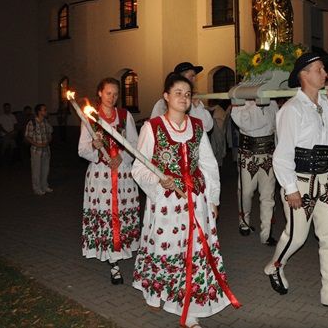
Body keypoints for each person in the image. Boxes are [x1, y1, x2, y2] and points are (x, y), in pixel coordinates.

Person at [132, 73, 238, 328]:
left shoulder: (197, 126)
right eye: (178, 92)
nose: (183, 97)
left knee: (194, 250)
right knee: (166, 248)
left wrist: (213, 200)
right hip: (166, 203)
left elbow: (209, 164)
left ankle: (190, 306)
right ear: (166, 96)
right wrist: (159, 180)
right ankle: (156, 289)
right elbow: (139, 167)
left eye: (188, 94)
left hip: (195, 199)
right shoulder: (152, 127)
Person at [263, 52, 328, 312]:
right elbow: (282, 154)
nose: (323, 73)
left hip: (327, 181)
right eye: (318, 68)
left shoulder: (326, 104)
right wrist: (290, 189)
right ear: (304, 74)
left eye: (323, 68)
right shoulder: (291, 109)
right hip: (301, 182)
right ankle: (275, 266)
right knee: (296, 237)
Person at [78, 78, 140, 284]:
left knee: (121, 214)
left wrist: (121, 156)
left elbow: (134, 143)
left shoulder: (124, 115)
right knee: (107, 215)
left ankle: (122, 249)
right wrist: (95, 146)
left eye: (115, 94)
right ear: (99, 93)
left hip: (122, 173)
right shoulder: (90, 117)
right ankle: (113, 263)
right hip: (101, 175)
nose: (112, 97)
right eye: (108, 93)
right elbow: (82, 149)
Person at [230, 99, 279, 244]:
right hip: (248, 154)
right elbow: (247, 124)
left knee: (268, 195)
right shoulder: (240, 105)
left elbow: (276, 128)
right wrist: (256, 104)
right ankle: (244, 222)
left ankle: (266, 233)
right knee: (246, 192)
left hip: (269, 154)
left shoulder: (273, 104)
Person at [151, 62, 213, 132]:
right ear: (181, 77)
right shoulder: (161, 104)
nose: (194, 80)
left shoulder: (195, 102)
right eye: (191, 76)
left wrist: (197, 106)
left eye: (195, 76)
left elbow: (207, 127)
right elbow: (154, 129)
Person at [25, 104, 53, 196]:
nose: (46, 111)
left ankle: (44, 185)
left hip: (46, 150)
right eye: (44, 110)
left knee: (45, 169)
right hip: (36, 151)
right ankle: (37, 188)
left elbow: (50, 133)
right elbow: (27, 137)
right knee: (36, 170)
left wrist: (48, 141)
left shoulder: (45, 122)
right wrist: (37, 144)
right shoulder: (32, 122)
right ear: (39, 112)